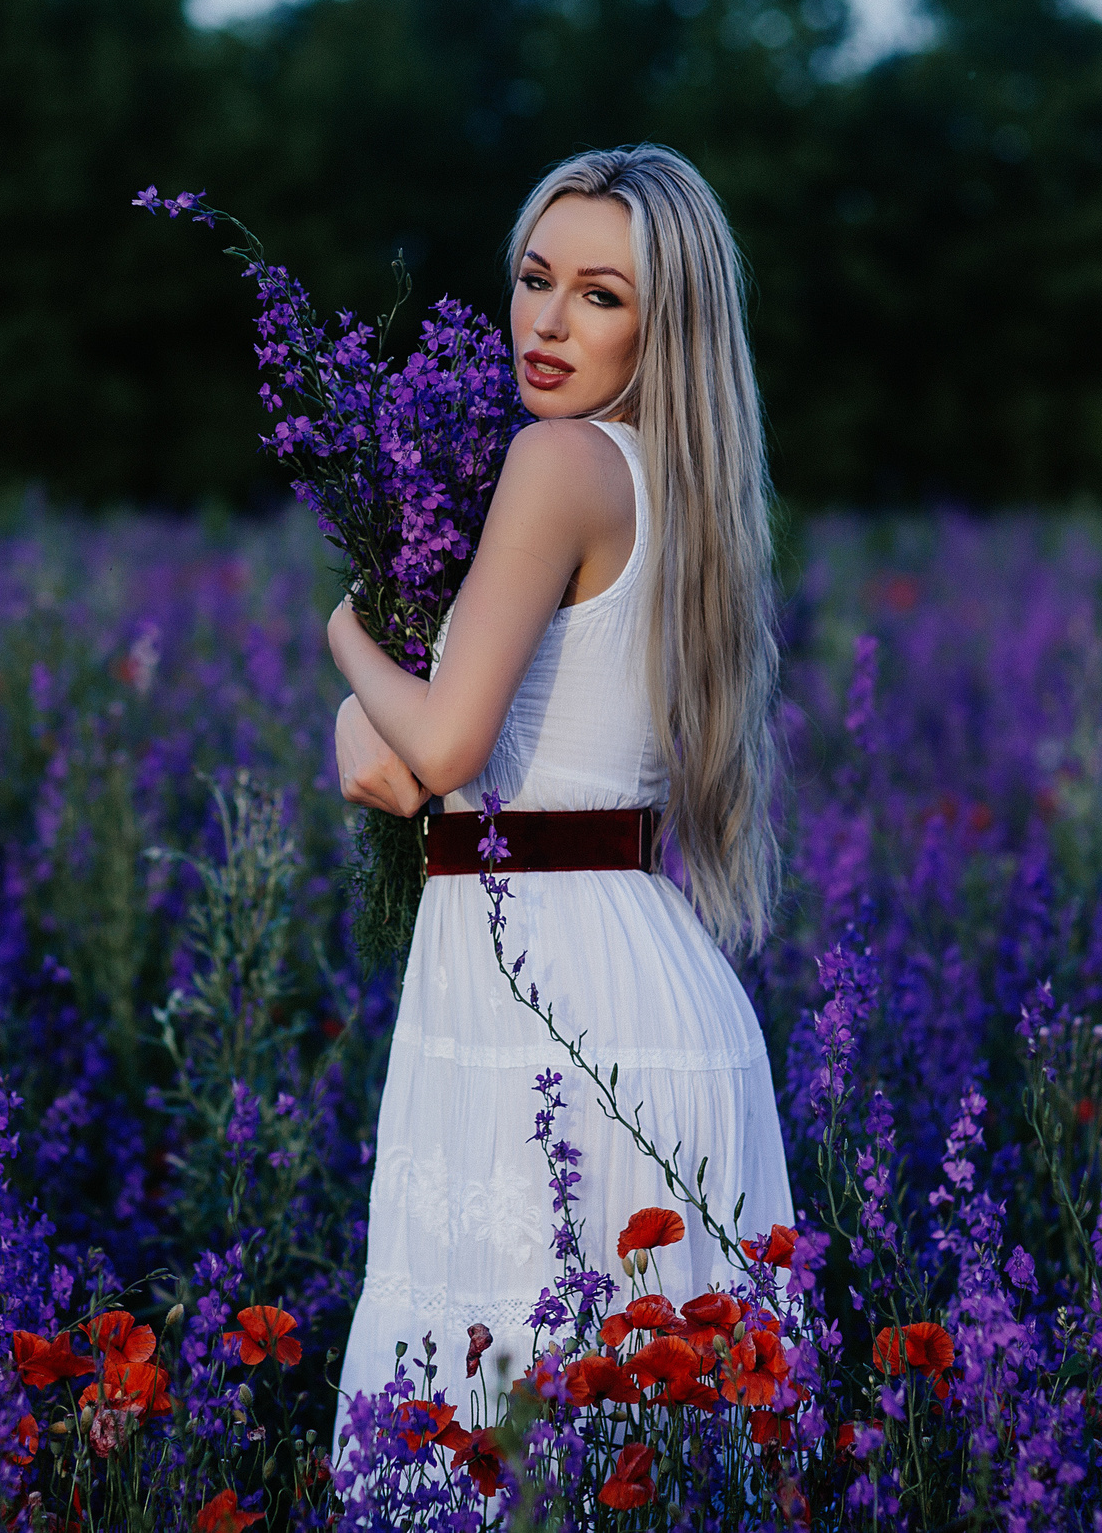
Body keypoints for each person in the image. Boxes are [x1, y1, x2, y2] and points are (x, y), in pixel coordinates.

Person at [325, 145, 793, 1430]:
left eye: (601, 294)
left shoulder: (560, 464)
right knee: (643, 1447)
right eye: (536, 278)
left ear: (665, 320)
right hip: (642, 973)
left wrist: (345, 646)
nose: (546, 319)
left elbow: (445, 748)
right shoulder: (686, 481)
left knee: (494, 1422)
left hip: (549, 997)